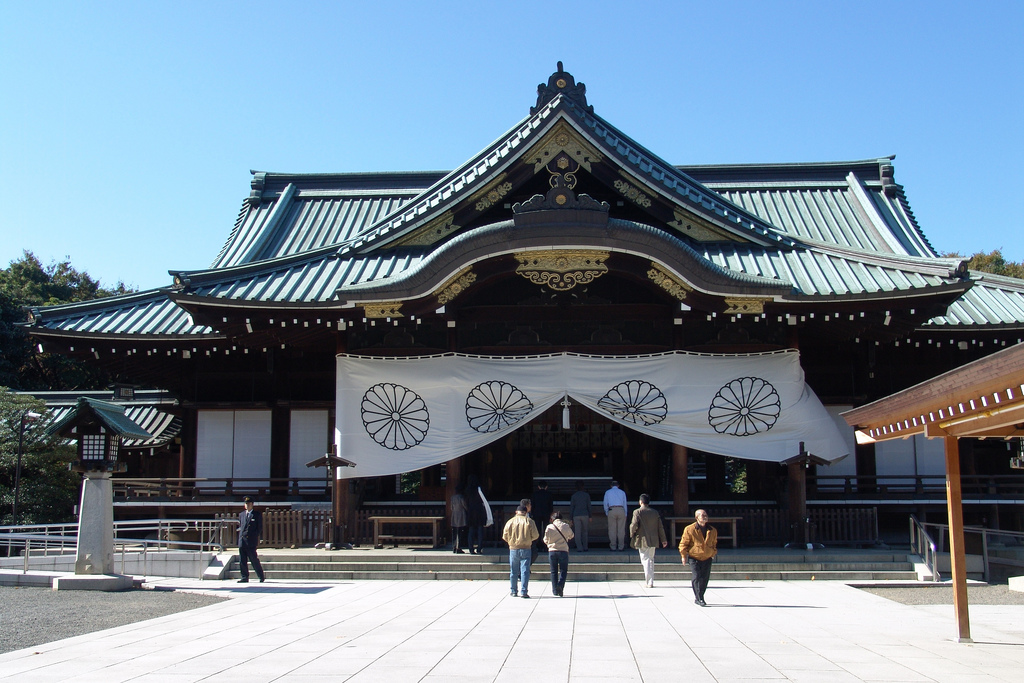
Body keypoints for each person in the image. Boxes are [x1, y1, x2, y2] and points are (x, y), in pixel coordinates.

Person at [679, 508, 718, 606]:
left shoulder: (712, 530)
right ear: (697, 517)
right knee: (696, 576)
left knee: (704, 578)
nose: (705, 517)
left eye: (706, 515)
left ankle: (701, 595)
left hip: (707, 557)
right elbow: (684, 543)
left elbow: (714, 543)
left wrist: (713, 553)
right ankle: (699, 598)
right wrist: (683, 556)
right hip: (694, 556)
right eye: (702, 515)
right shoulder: (690, 529)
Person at [628, 494, 668, 588]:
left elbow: (633, 525)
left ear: (640, 501)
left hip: (642, 539)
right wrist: (663, 539)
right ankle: (650, 580)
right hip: (653, 539)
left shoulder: (637, 512)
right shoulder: (654, 512)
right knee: (650, 558)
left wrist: (631, 533)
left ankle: (649, 581)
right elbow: (660, 527)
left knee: (645, 559)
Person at [502, 504, 539, 598]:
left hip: (513, 548)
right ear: (526, 512)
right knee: (525, 570)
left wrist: (511, 541)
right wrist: (528, 539)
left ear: (516, 512)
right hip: (526, 547)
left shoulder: (510, 522)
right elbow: (536, 535)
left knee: (513, 571)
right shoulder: (529, 521)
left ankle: (513, 590)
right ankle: (524, 591)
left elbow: (505, 536)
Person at [543, 511, 574, 597]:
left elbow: (545, 539)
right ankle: (560, 585)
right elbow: (571, 535)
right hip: (563, 550)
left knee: (553, 571)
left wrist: (549, 544)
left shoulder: (549, 527)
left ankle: (554, 590)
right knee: (563, 570)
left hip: (552, 551)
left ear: (553, 519)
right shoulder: (565, 526)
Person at [237, 496, 265, 583]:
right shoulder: (242, 514)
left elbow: (259, 528)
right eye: (246, 504)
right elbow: (241, 526)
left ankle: (260, 576)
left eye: (249, 504)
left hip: (251, 541)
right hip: (242, 540)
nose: (247, 505)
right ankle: (244, 577)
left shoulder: (256, 514)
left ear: (252, 504)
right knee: (242, 560)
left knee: (254, 559)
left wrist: (254, 536)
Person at [466, 475, 493, 554]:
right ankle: (479, 548)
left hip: (471, 511)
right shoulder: (479, 489)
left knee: (471, 531)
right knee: (480, 530)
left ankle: (471, 548)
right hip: (479, 511)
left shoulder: (468, 489)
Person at [603, 480, 627, 551]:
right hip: (621, 509)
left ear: (611, 486)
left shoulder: (607, 492)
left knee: (612, 529)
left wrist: (607, 512)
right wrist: (625, 513)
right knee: (621, 529)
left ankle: (613, 546)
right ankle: (621, 546)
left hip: (611, 509)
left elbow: (605, 503)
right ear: (618, 486)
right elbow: (624, 503)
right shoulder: (622, 492)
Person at [531, 481, 553, 552]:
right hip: (546, 514)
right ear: (546, 487)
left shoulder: (535, 494)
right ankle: (546, 546)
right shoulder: (549, 494)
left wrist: (532, 513)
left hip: (537, 514)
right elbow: (551, 506)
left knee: (538, 530)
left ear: (538, 487)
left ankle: (538, 545)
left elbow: (533, 505)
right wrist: (550, 514)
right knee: (546, 530)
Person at [569, 480, 591, 552]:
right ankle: (585, 547)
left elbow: (572, 507)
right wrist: (590, 516)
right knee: (585, 532)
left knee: (577, 532)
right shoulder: (586, 495)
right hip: (585, 514)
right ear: (583, 487)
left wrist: (570, 518)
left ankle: (579, 548)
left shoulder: (574, 496)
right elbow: (589, 506)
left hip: (576, 515)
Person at [450, 483, 468, 554]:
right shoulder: (461, 497)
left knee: (454, 532)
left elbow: (451, 507)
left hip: (454, 514)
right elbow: (465, 506)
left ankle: (454, 546)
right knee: (460, 531)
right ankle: (459, 547)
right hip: (461, 515)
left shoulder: (453, 497)